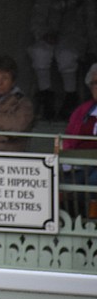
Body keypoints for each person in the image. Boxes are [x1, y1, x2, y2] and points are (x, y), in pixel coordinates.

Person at [28, 0, 97, 121]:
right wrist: (44, 34)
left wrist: (93, 48)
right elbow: (37, 20)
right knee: (39, 52)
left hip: (75, 40)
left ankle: (70, 97)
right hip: (49, 38)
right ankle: (46, 96)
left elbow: (91, 23)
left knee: (66, 55)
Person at [61, 63, 97, 203]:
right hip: (81, 162)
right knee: (66, 181)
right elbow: (69, 138)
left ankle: (90, 221)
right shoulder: (82, 110)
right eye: (95, 83)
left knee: (94, 181)